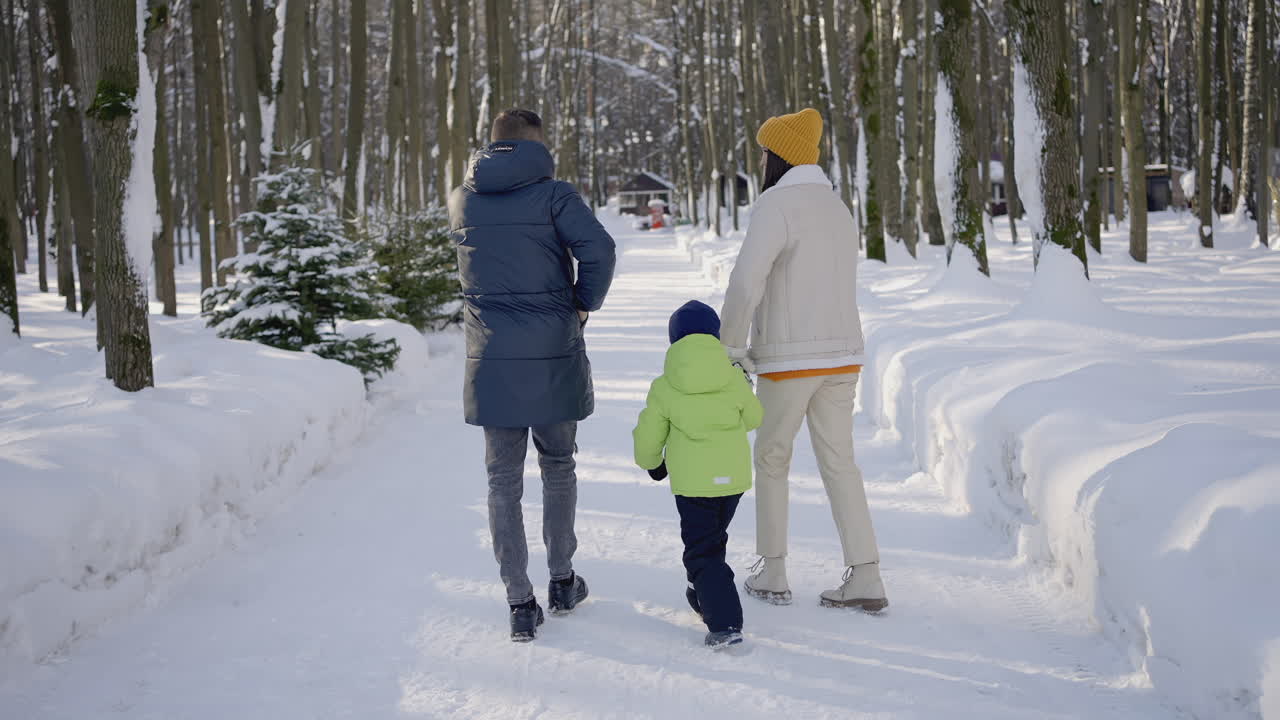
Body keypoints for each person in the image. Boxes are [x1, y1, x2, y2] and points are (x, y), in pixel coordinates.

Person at [449, 109, 617, 641]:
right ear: (535, 145)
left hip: (491, 355)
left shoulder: (462, 198)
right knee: (558, 465)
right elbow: (600, 249)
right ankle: (563, 580)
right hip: (552, 351)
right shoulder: (554, 195)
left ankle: (520, 602)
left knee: (502, 481)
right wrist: (583, 303)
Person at [719, 108, 888, 612]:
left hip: (789, 359)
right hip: (842, 357)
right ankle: (866, 575)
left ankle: (772, 570)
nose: (760, 158)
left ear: (779, 156)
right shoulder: (838, 208)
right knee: (841, 464)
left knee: (771, 459)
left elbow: (748, 280)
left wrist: (728, 345)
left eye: (765, 150)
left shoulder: (777, 206)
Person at [633, 301, 764, 649]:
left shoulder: (665, 385)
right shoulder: (733, 375)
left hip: (693, 485)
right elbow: (754, 418)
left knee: (702, 550)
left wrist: (652, 463)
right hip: (733, 482)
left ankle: (724, 623)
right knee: (711, 539)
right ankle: (700, 592)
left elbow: (648, 435)